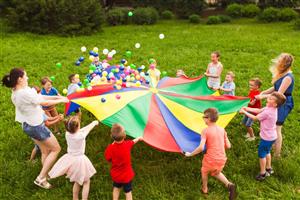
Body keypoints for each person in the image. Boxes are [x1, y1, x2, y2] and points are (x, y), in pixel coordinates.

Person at [2, 68, 69, 189]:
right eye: (25, 76)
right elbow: (43, 102)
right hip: (36, 126)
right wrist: (62, 100)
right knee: (56, 149)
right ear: (20, 79)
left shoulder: (17, 91)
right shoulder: (24, 93)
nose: (27, 78)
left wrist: (58, 97)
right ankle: (41, 178)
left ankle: (46, 174)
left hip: (27, 125)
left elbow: (41, 96)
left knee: (45, 151)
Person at [184, 108, 236, 200]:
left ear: (208, 119)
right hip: (222, 159)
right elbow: (228, 146)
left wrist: (190, 154)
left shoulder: (205, 131)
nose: (203, 118)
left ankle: (205, 189)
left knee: (204, 171)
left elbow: (201, 147)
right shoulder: (222, 129)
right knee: (216, 172)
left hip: (210, 159)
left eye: (203, 117)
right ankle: (229, 184)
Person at [49, 117, 98, 200]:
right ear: (77, 127)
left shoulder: (67, 134)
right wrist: (94, 123)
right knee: (86, 181)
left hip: (70, 159)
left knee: (77, 181)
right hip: (80, 161)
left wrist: (92, 123)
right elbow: (87, 130)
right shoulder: (81, 136)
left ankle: (75, 198)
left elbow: (81, 130)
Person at [255, 53, 295, 158]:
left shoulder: (288, 77)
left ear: (284, 64)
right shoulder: (282, 74)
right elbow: (275, 87)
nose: (277, 62)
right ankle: (269, 148)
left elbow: (279, 94)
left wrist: (263, 97)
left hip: (283, 102)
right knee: (272, 126)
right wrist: (263, 92)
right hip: (277, 101)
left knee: (277, 128)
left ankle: (277, 155)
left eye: (279, 61)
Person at [240, 92, 286, 181]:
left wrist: (244, 112)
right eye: (269, 97)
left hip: (267, 138)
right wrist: (247, 108)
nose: (268, 98)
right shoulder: (270, 108)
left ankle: (263, 173)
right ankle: (269, 168)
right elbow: (259, 110)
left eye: (270, 98)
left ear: (275, 104)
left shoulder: (269, 112)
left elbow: (255, 118)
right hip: (272, 136)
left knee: (262, 155)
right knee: (267, 152)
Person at [104, 124, 143, 200]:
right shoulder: (127, 144)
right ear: (124, 136)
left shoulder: (110, 148)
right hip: (126, 176)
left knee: (116, 188)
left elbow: (108, 159)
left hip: (116, 175)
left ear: (111, 136)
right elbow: (133, 141)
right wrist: (138, 138)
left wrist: (112, 145)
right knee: (128, 192)